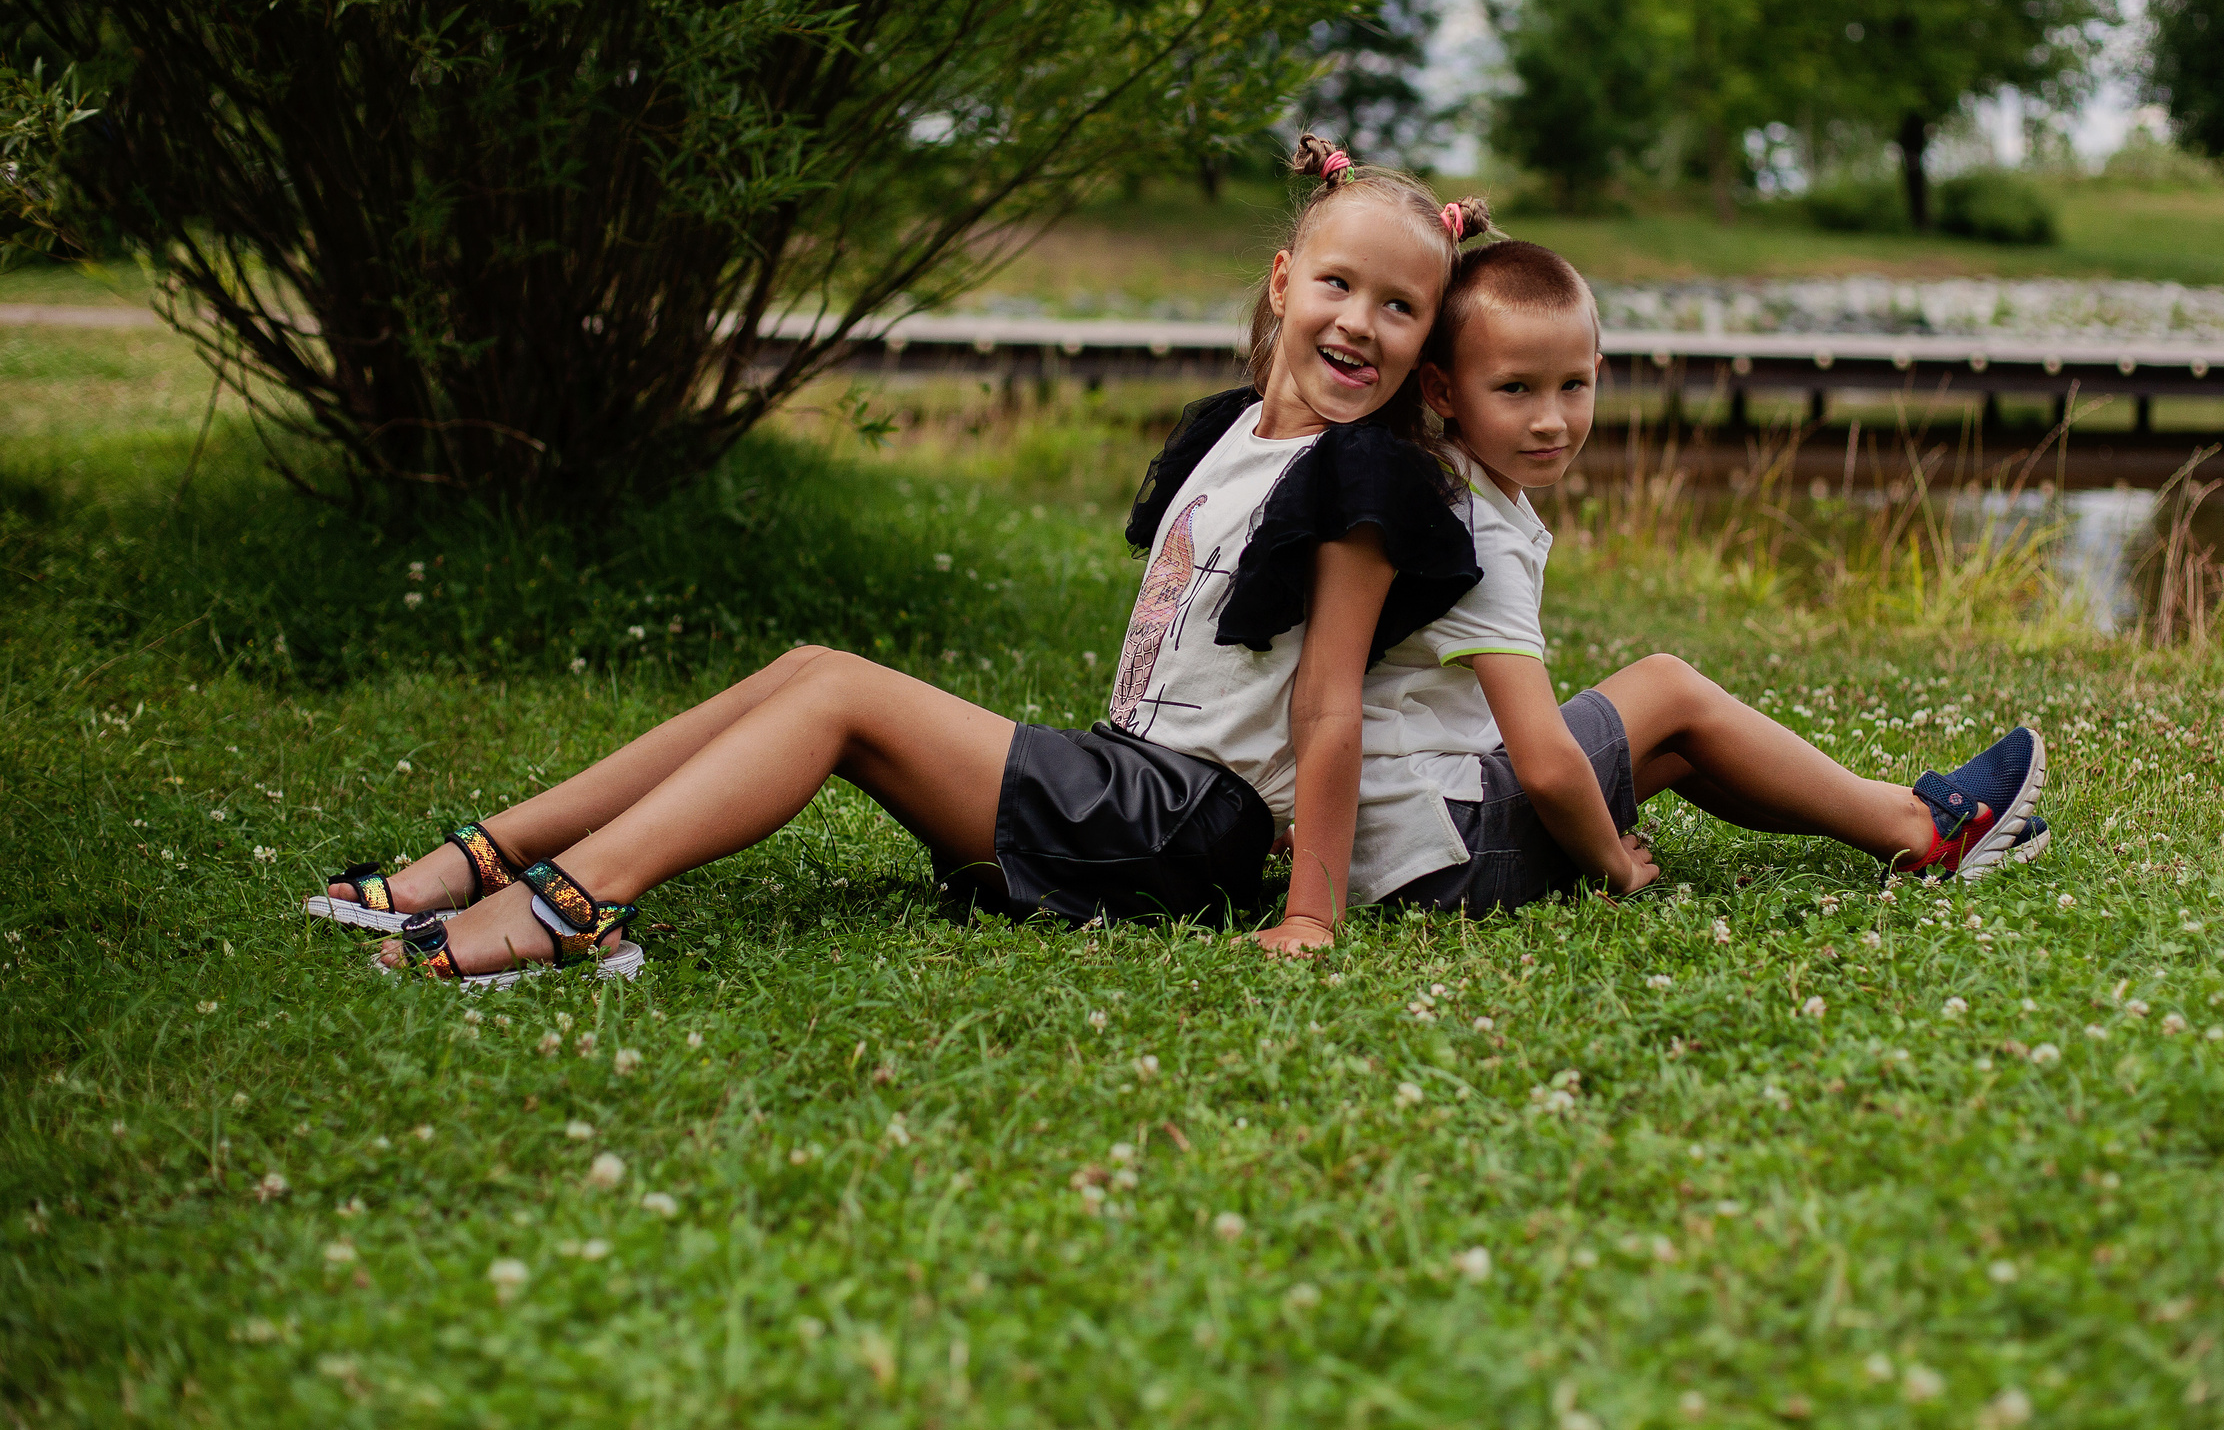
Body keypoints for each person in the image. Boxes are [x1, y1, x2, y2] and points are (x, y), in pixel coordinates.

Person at [303, 136, 1493, 980]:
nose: (1359, 323)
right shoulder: (1231, 428)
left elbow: (1329, 705)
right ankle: (475, 862)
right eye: (1338, 284)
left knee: (837, 692)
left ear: (1423, 341)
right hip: (1126, 792)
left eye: (1402, 310)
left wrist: (1313, 915)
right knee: (808, 666)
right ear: (1285, 283)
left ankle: (568, 906)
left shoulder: (1365, 476)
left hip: (1187, 828)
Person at [1344, 241, 2048, 920]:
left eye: (1572, 386)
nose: (1550, 419)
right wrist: (1611, 865)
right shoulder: (1476, 534)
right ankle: (1927, 830)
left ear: (1597, 369)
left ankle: (1893, 828)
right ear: (1442, 387)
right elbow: (1548, 766)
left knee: (1675, 743)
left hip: (1405, 847)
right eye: (1515, 389)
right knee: (1667, 686)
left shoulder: (1447, 484)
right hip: (1448, 853)